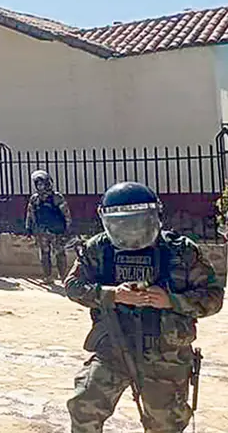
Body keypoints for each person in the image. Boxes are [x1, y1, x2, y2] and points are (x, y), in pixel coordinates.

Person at [65, 182, 223, 432]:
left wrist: (171, 301)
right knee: (84, 405)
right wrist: (112, 295)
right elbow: (73, 285)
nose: (130, 231)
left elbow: (214, 297)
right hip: (114, 345)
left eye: (138, 222)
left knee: (165, 423)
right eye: (121, 224)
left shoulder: (180, 251)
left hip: (165, 353)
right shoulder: (99, 248)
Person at [26, 169, 73, 281]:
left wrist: (68, 228)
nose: (40, 186)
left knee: (60, 254)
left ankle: (63, 276)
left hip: (56, 232)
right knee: (44, 255)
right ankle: (47, 276)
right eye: (38, 184)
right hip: (41, 232)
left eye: (42, 183)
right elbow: (30, 213)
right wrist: (28, 227)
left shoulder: (57, 197)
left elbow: (66, 213)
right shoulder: (35, 198)